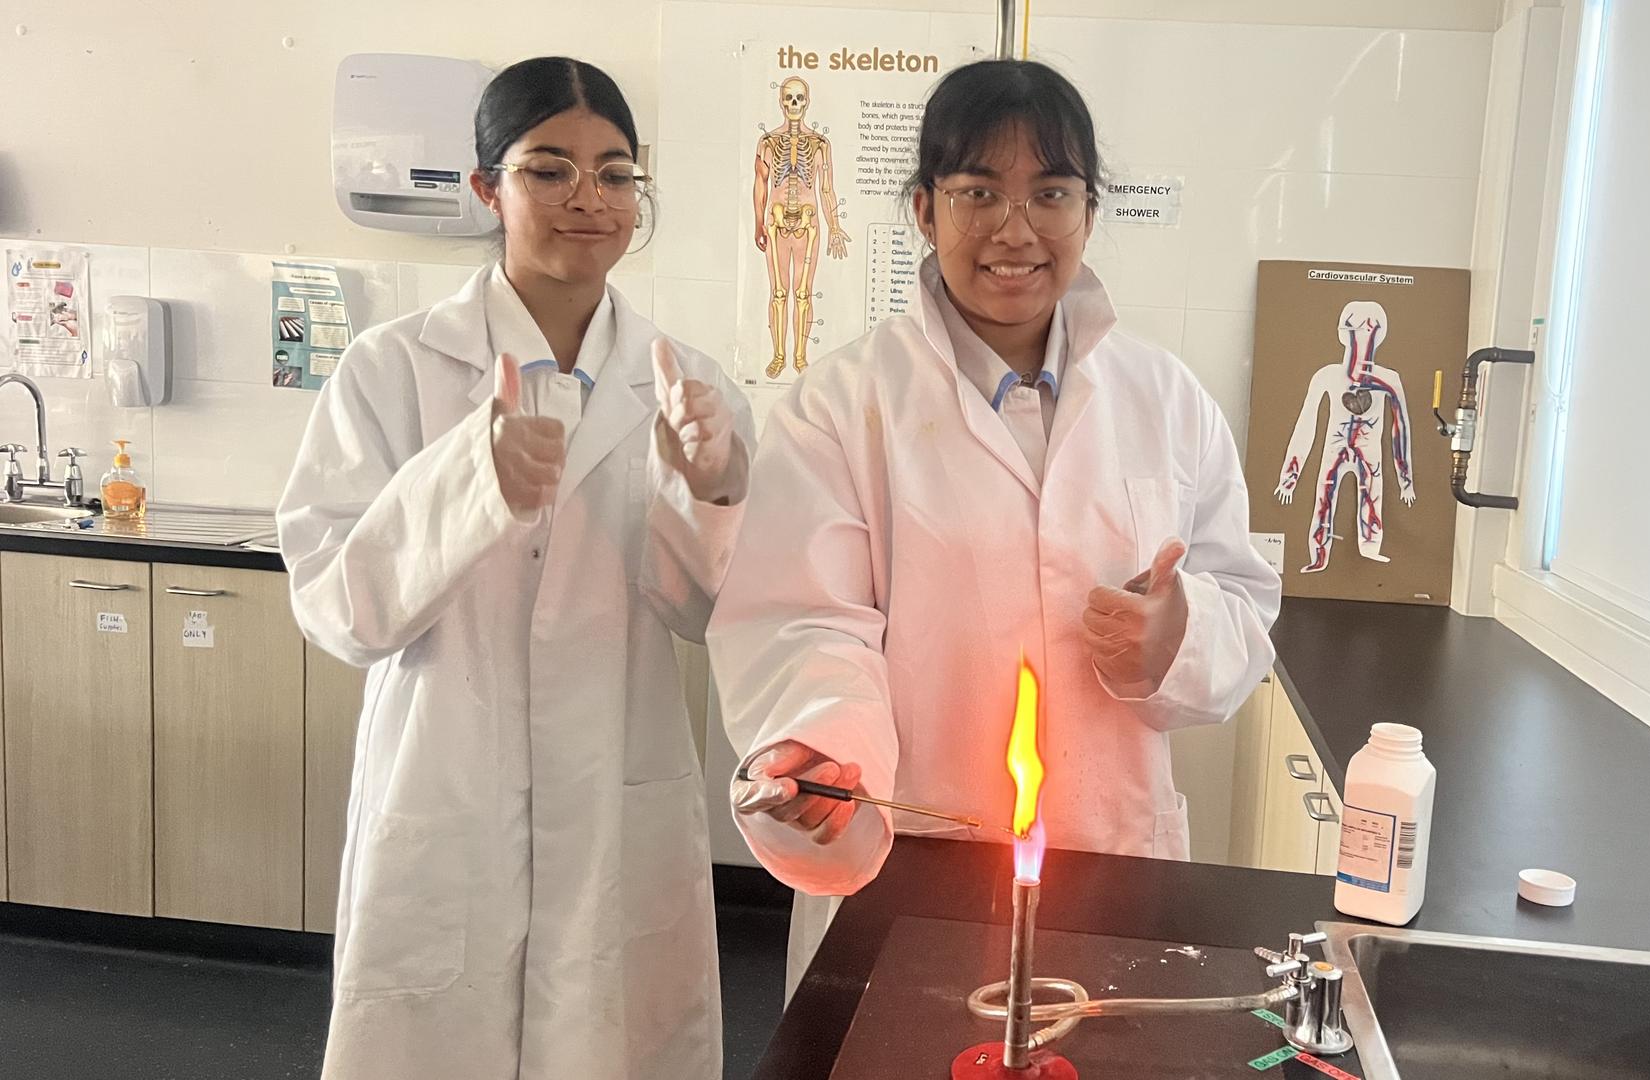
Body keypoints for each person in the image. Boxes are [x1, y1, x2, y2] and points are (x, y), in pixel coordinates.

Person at [710, 58, 1280, 991]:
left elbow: (1242, 604)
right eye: (978, 192)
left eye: (1051, 193)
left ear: (1088, 211)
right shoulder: (842, 405)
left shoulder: (1166, 400)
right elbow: (806, 621)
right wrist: (823, 744)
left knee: (1105, 1046)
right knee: (905, 1043)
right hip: (916, 862)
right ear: (925, 209)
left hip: (1110, 858)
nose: (1016, 231)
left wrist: (1177, 639)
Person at [277, 57, 749, 1080]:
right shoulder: (395, 369)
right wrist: (464, 482)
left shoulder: (685, 386)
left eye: (615, 173)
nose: (589, 198)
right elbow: (339, 612)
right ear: (488, 188)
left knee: (611, 1038)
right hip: (449, 782)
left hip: (616, 785)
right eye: (549, 169)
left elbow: (711, 613)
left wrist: (713, 489)